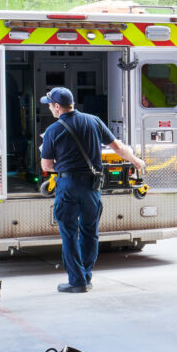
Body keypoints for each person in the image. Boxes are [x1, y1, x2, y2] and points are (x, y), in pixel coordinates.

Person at [39, 87, 146, 293]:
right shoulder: (93, 121)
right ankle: (86, 277)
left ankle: (76, 281)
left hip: (68, 186)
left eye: (50, 104)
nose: (50, 108)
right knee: (90, 233)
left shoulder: (53, 131)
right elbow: (117, 147)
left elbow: (46, 166)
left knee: (69, 234)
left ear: (57, 107)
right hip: (92, 186)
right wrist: (136, 161)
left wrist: (64, 164)